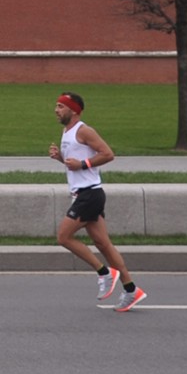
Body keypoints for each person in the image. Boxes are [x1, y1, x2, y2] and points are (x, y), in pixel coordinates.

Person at [49, 92, 145, 312]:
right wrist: (61, 159)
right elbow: (75, 163)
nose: (56, 110)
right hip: (84, 193)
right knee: (104, 245)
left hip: (89, 194)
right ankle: (131, 290)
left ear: (73, 110)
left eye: (60, 106)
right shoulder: (67, 131)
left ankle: (104, 272)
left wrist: (82, 164)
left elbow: (108, 154)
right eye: (56, 106)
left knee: (63, 237)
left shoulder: (84, 130)